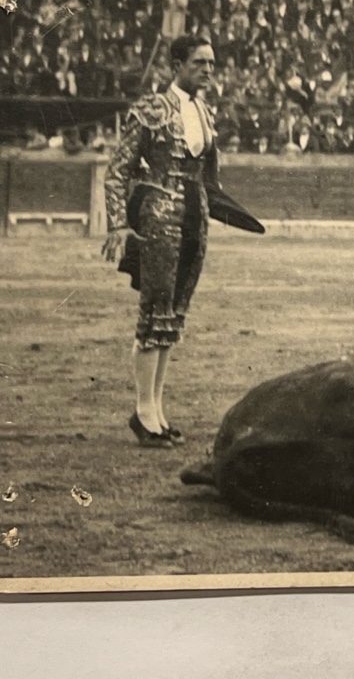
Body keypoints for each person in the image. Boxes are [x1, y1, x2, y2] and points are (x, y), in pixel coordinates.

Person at [101, 35, 263, 448]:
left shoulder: (205, 112)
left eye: (211, 62)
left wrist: (231, 212)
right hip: (160, 217)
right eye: (198, 62)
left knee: (173, 315)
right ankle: (143, 413)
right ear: (176, 65)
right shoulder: (154, 107)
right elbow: (117, 170)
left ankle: (157, 412)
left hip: (196, 216)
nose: (208, 69)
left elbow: (209, 177)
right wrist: (119, 225)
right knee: (155, 310)